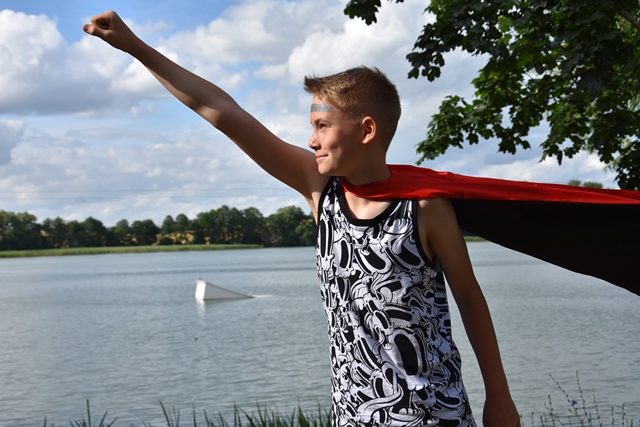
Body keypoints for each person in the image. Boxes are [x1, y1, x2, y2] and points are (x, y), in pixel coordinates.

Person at [84, 11, 521, 426]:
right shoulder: (323, 192)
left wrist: (499, 397)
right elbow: (222, 111)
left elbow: (469, 297)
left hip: (432, 415)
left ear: (367, 130)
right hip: (353, 417)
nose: (312, 140)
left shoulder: (423, 209)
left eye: (322, 126)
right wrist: (135, 47)